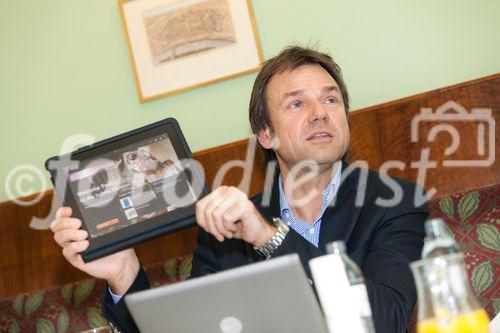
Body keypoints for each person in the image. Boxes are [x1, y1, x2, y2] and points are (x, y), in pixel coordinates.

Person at [51, 46, 428, 333]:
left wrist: (269, 236)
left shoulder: (396, 203)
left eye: (331, 99)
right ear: (266, 134)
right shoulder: (223, 230)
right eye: (297, 103)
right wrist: (123, 275)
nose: (320, 112)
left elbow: (386, 320)